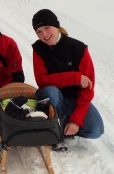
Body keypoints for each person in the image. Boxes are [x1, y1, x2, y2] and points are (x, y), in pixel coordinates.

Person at [31, 9, 104, 151]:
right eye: (39, 31)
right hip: (52, 99)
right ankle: (54, 132)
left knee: (96, 130)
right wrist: (75, 77)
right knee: (51, 91)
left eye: (47, 28)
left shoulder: (78, 48)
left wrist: (76, 121)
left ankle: (66, 125)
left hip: (74, 100)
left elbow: (87, 89)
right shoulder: (38, 49)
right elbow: (42, 81)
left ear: (56, 26)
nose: (44, 34)